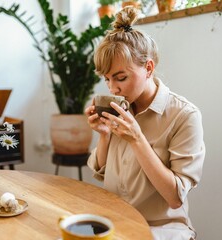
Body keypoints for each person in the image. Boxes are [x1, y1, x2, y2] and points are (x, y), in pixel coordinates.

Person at [85, 6, 205, 240]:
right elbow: (101, 174)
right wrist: (104, 135)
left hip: (162, 229)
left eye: (121, 78)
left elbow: (175, 197)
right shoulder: (121, 107)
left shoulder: (184, 116)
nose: (113, 88)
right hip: (114, 223)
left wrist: (137, 138)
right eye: (107, 79)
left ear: (148, 68)